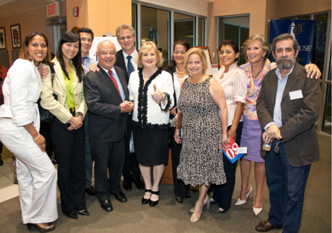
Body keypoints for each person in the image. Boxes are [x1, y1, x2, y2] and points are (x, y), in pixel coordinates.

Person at [236, 34, 321, 216]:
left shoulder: (308, 75)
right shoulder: (270, 77)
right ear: (274, 54)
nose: (284, 54)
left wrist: (280, 131)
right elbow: (262, 103)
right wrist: (270, 125)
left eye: (288, 49)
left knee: (293, 193)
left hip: (296, 143)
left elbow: (310, 112)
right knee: (274, 185)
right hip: (270, 139)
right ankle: (275, 220)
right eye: (280, 50)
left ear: (296, 52)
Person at [0, 31, 57, 232]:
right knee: (47, 171)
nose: (40, 49)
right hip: (17, 126)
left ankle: (30, 215)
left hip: (22, 124)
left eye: (43, 45)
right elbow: (18, 105)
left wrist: (39, 72)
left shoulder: (31, 67)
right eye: (35, 45)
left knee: (26, 173)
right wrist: (35, 134)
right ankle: (39, 216)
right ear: (26, 47)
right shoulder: (22, 67)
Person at [175, 47, 228, 223]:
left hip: (208, 133)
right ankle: (204, 198)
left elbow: (223, 107)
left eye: (197, 62)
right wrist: (177, 128)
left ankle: (199, 203)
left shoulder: (211, 83)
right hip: (190, 133)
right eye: (190, 62)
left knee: (205, 169)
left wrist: (224, 133)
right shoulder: (185, 83)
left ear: (203, 64)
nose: (193, 65)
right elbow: (181, 109)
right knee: (194, 169)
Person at [40, 31, 88, 219]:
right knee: (66, 166)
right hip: (61, 124)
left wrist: (80, 115)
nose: (72, 49)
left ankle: (80, 203)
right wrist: (70, 118)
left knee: (79, 164)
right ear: (61, 45)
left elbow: (83, 97)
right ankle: (68, 206)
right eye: (69, 45)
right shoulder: (49, 68)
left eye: (76, 46)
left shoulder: (79, 69)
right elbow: (46, 100)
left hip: (78, 121)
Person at [84, 40, 133, 212]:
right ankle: (103, 194)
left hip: (120, 128)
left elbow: (124, 95)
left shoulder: (120, 71)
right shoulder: (91, 77)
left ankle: (115, 189)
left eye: (111, 52)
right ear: (97, 55)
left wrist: (129, 105)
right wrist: (119, 109)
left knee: (117, 163)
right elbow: (93, 105)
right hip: (102, 130)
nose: (108, 56)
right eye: (104, 53)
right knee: (101, 165)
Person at [128, 41, 174, 207]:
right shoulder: (134, 75)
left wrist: (162, 97)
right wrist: (128, 105)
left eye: (152, 54)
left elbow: (171, 101)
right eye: (145, 54)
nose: (149, 57)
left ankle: (156, 188)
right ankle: (147, 186)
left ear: (157, 57)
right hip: (139, 125)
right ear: (140, 58)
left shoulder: (166, 76)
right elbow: (131, 98)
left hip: (158, 125)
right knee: (143, 158)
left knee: (157, 158)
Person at [211, 40, 247, 214]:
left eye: (228, 52)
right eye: (222, 52)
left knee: (228, 164)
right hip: (217, 124)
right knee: (217, 162)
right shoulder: (218, 73)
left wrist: (232, 129)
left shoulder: (238, 74)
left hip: (232, 124)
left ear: (237, 55)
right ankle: (217, 194)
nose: (224, 55)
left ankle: (224, 201)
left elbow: (240, 103)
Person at [115, 24, 144, 191]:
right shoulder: (113, 57)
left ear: (134, 38)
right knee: (124, 144)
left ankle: (138, 174)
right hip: (122, 110)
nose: (125, 40)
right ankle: (126, 175)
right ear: (118, 40)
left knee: (139, 143)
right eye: (122, 38)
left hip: (141, 109)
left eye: (128, 37)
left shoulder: (144, 56)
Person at [165, 40, 191, 204]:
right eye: (176, 51)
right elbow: (162, 95)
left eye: (182, 51)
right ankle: (180, 190)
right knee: (178, 154)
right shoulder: (167, 73)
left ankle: (192, 185)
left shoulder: (195, 70)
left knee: (192, 154)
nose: (179, 55)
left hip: (193, 119)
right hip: (174, 120)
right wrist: (170, 108)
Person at [76, 27, 96, 196]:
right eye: (83, 39)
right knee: (73, 150)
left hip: (89, 111)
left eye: (89, 40)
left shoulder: (94, 62)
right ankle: (75, 183)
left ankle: (87, 182)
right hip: (70, 112)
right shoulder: (67, 61)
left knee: (88, 149)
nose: (86, 43)